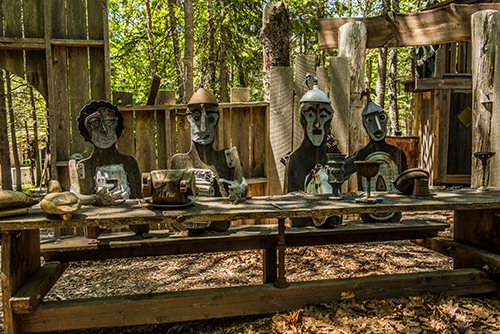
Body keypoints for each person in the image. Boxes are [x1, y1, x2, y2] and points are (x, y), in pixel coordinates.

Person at [170, 88, 247, 232]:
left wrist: (240, 189)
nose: (203, 128)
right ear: (188, 119)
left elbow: (243, 183)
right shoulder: (178, 161)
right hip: (187, 225)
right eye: (197, 119)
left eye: (210, 119)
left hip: (220, 223)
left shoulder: (228, 156)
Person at [73, 100, 144, 238]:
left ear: (117, 127)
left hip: (131, 224)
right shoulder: (85, 166)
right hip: (97, 226)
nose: (103, 131)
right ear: (88, 130)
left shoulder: (129, 163)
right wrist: (94, 199)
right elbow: (76, 194)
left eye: (109, 123)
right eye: (95, 124)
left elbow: (137, 198)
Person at [284, 75, 339, 227]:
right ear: (303, 120)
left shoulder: (332, 157)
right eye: (310, 116)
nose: (317, 124)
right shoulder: (295, 160)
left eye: (322, 117)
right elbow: (288, 201)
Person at [343, 92, 408, 222]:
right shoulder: (361, 155)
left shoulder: (397, 153)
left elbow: (406, 181)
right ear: (365, 125)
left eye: (381, 119)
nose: (378, 127)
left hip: (392, 211)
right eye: (370, 121)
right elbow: (341, 172)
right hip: (369, 212)